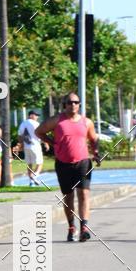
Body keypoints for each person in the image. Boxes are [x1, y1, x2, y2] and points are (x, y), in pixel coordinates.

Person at [36, 92, 100, 242]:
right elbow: (39, 131)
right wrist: (52, 142)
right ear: (64, 105)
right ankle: (72, 227)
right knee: (68, 197)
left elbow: (94, 138)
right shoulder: (57, 120)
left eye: (76, 102)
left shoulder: (86, 122)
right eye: (70, 102)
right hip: (63, 164)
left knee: (84, 194)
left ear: (79, 105)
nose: (73, 105)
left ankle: (84, 227)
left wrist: (96, 152)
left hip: (83, 162)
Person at [17, 109, 48, 185]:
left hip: (26, 146)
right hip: (35, 146)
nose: (37, 117)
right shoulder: (36, 124)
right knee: (40, 163)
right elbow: (41, 135)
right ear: (31, 115)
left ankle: (31, 181)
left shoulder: (23, 124)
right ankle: (35, 176)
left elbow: (20, 136)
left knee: (29, 164)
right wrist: (46, 143)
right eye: (36, 115)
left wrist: (21, 144)